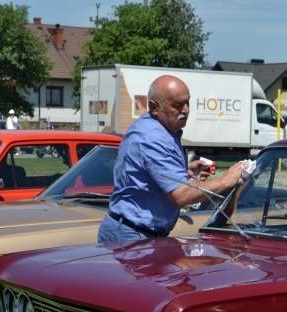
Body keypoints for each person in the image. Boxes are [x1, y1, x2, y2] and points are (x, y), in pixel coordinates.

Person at [97, 75, 246, 243]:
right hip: (132, 235)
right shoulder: (152, 138)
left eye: (188, 102)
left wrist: (183, 171)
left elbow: (149, 173)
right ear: (154, 107)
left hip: (135, 231)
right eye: (177, 105)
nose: (186, 110)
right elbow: (181, 195)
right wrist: (227, 180)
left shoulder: (160, 128)